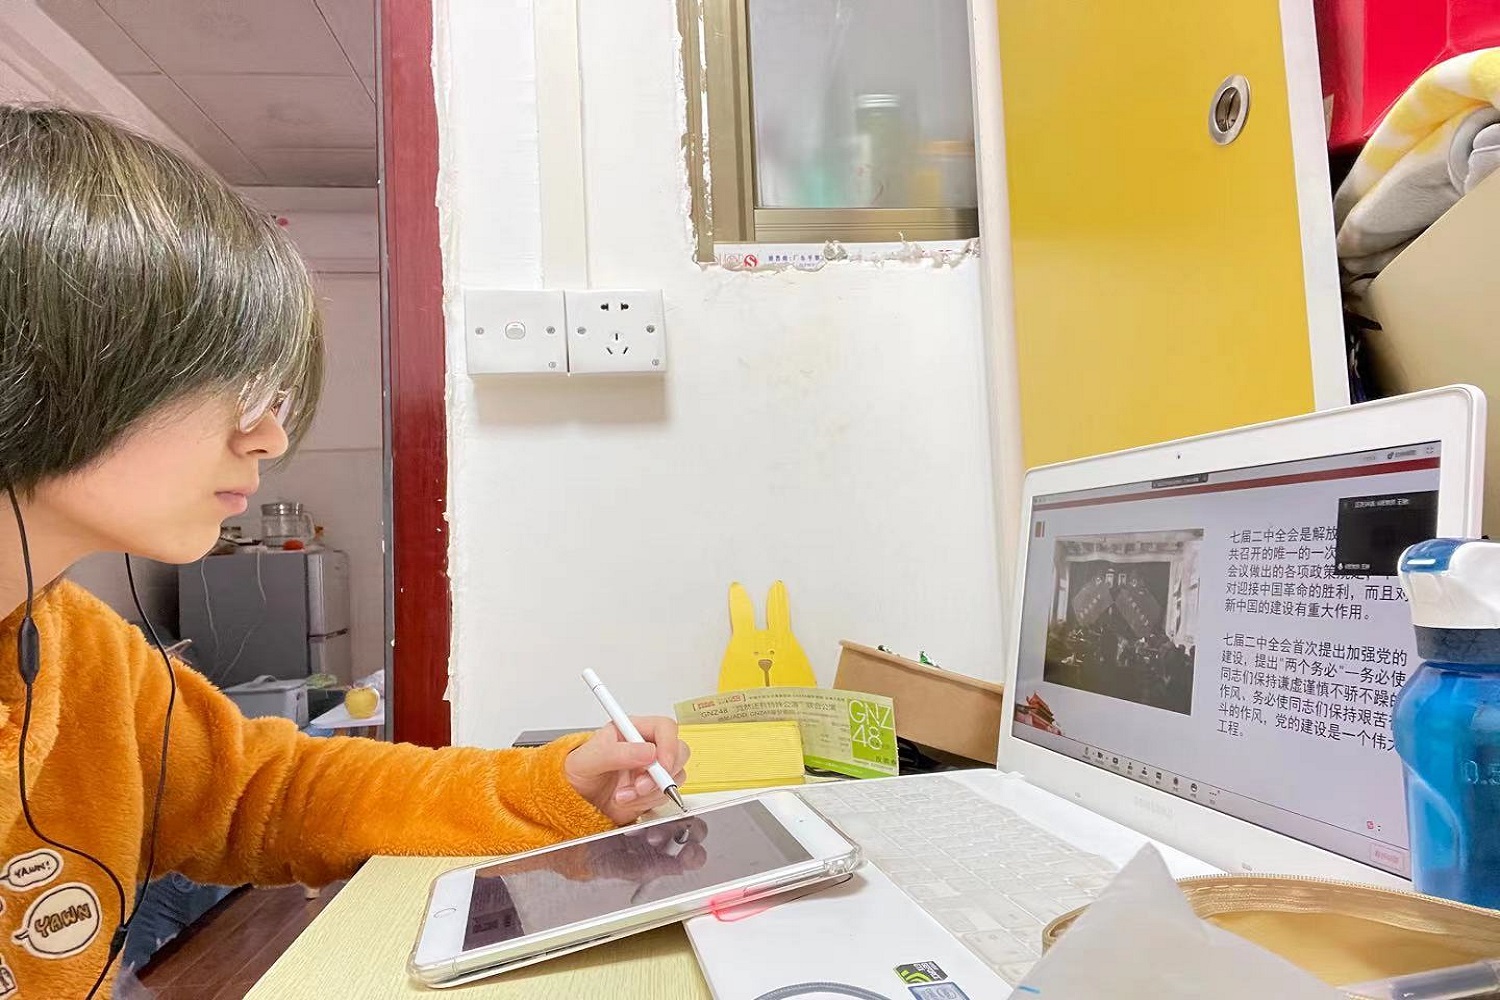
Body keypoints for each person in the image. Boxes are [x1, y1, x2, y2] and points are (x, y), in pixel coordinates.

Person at [0, 105, 691, 999]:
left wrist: (554, 783)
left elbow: (271, 792)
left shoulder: (80, 650)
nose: (269, 437)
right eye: (228, 383)